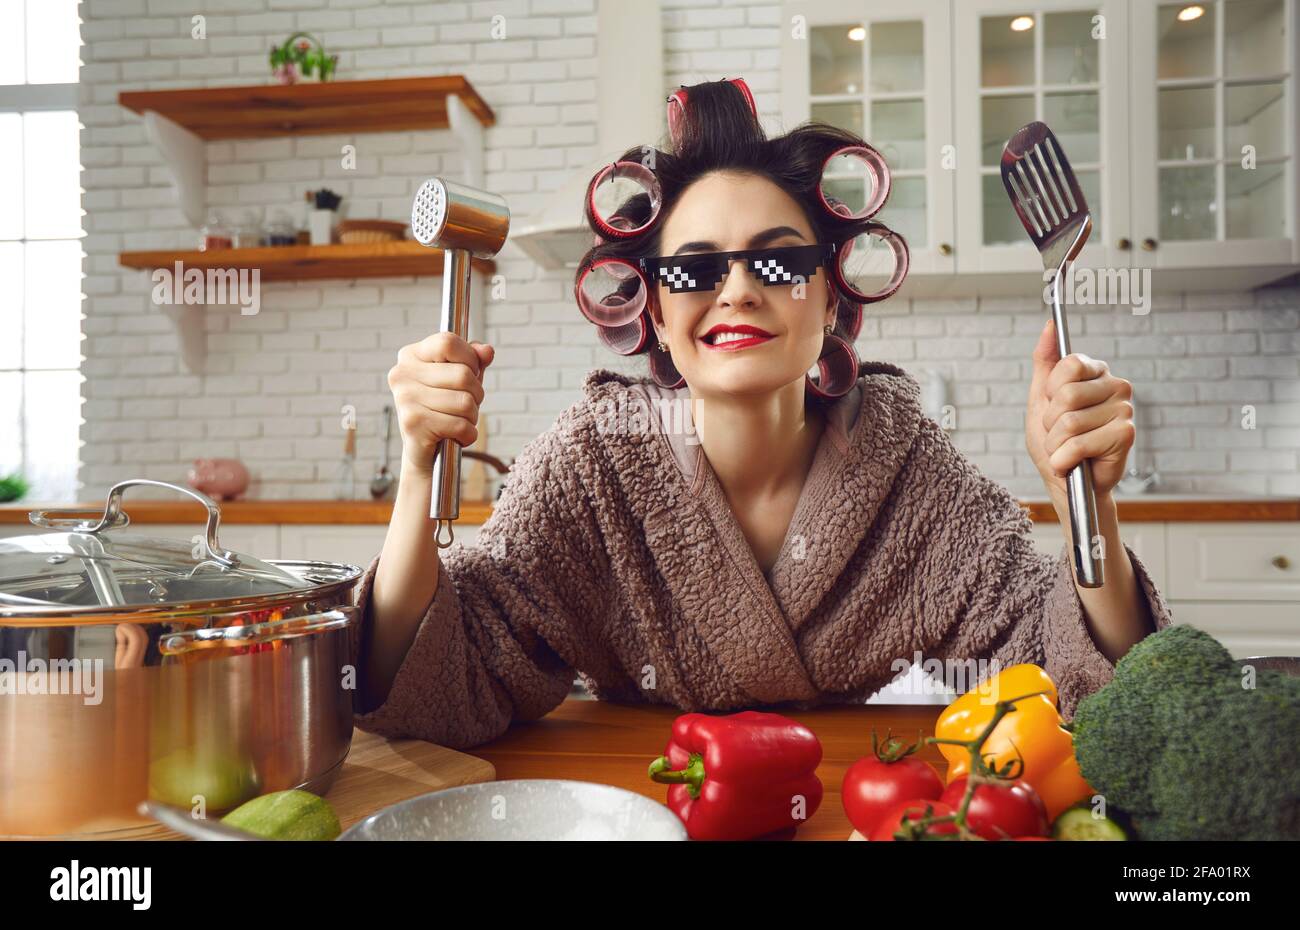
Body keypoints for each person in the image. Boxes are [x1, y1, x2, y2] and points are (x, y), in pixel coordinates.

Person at [352, 78, 1171, 750]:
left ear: (828, 296)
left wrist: (1085, 497)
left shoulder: (906, 466)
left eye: (778, 260)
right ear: (656, 315)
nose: (739, 289)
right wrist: (420, 465)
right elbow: (428, 683)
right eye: (696, 270)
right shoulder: (591, 465)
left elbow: (1085, 680)